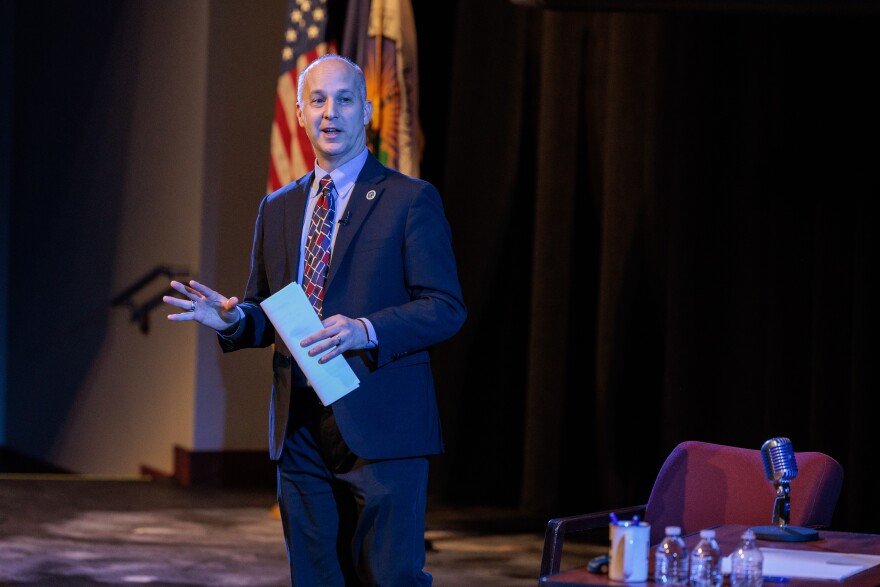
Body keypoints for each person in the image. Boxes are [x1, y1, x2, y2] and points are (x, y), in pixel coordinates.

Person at [162, 54, 466, 586]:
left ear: (366, 112)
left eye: (344, 100)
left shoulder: (411, 200)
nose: (331, 113)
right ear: (299, 114)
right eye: (318, 101)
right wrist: (230, 320)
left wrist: (364, 330)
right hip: (299, 428)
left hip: (381, 426)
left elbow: (444, 307)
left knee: (388, 577)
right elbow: (267, 312)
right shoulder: (276, 207)